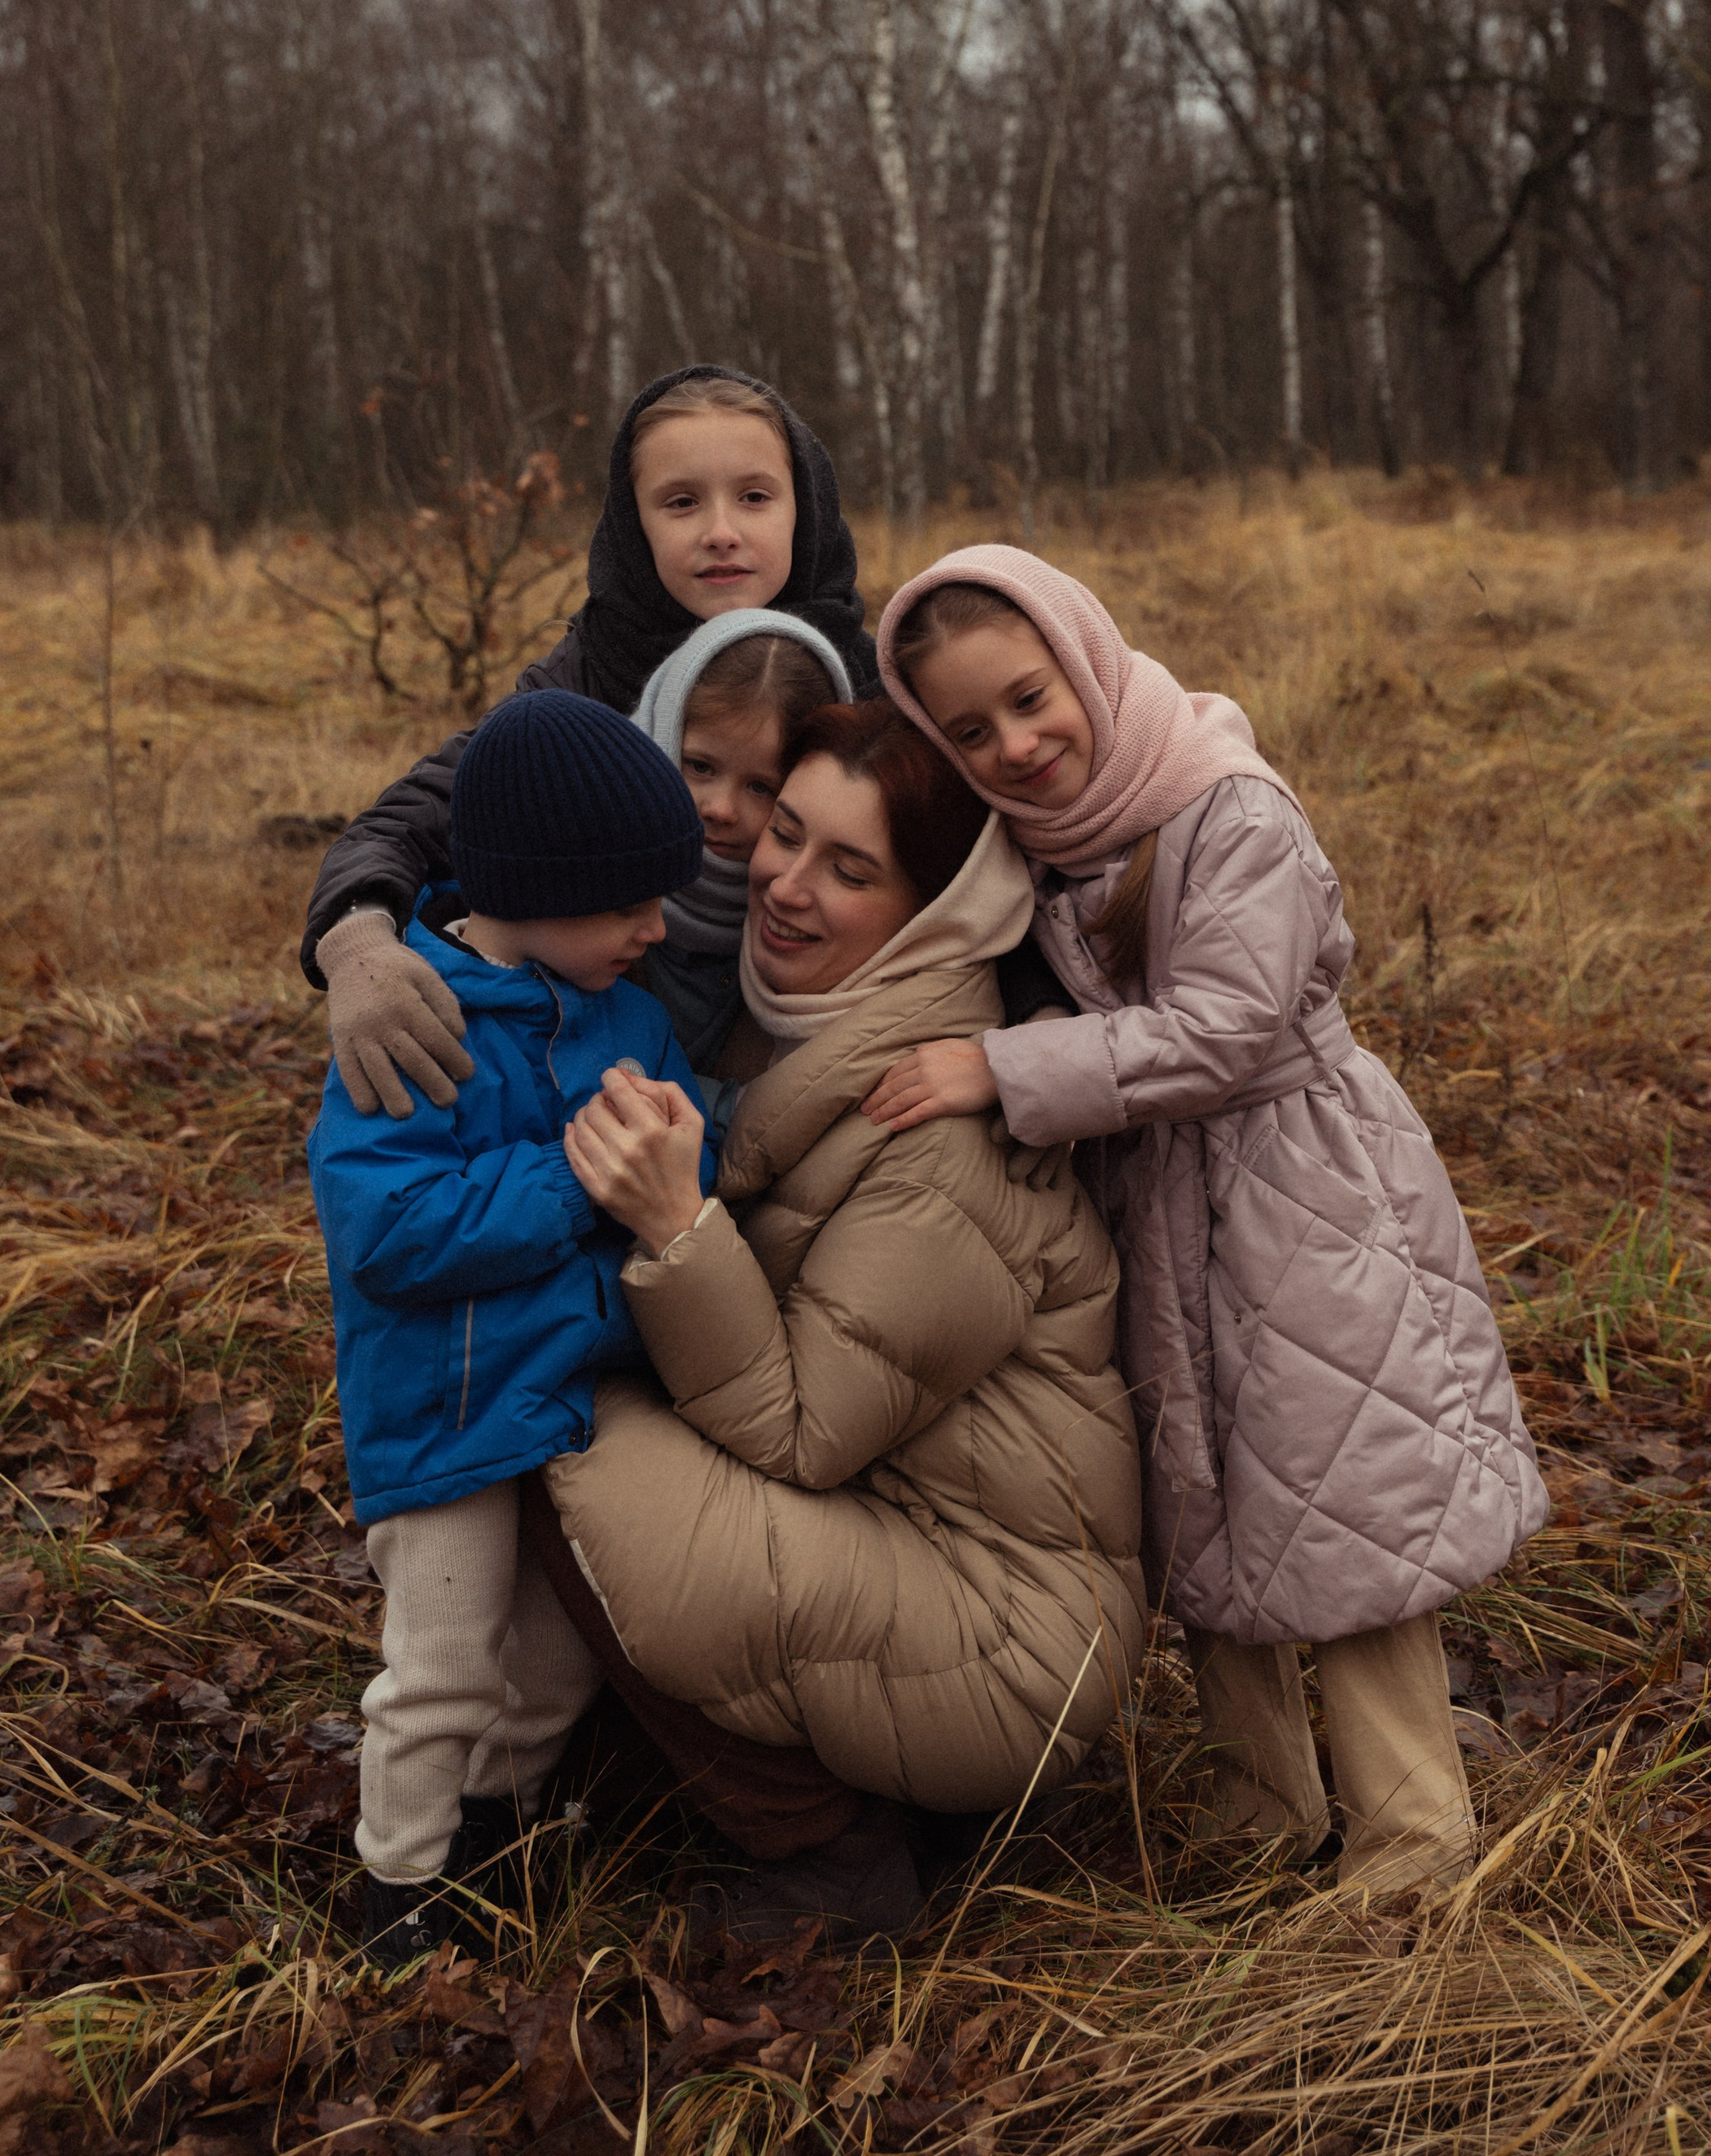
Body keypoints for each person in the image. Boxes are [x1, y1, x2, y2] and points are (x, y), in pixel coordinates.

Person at [869, 550, 1549, 1906]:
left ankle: (1415, 1840)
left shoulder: (1226, 803)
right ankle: (1264, 1809)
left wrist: (1002, 1070)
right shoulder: (1043, 843)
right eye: (972, 729)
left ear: (1088, 655)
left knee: (1344, 1495)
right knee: (1207, 1505)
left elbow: (1226, 1030)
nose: (1019, 742)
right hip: (1161, 1201)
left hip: (1306, 1190)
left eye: (1031, 695)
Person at [535, 699, 1147, 1935]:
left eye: (849, 868)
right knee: (533, 1393)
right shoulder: (787, 1019)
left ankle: (830, 1852)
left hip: (1005, 1643)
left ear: (936, 911)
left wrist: (677, 1228)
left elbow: (805, 1424)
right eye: (786, 830)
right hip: (895, 1549)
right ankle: (586, 1772)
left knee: (545, 1432)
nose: (785, 882)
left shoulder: (950, 1126)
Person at [306, 688, 720, 1968]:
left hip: (575, 1402)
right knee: (440, 1661)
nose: (657, 930)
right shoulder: (418, 1025)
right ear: (527, 888)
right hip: (443, 1418)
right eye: (626, 903)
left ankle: (498, 1837)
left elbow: (692, 1134)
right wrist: (579, 1176)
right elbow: (387, 1229)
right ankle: (401, 1893)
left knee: (558, 1658)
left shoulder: (629, 1016)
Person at [305, 366, 879, 1119]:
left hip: (825, 1068)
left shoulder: (870, 684)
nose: (721, 531)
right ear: (631, 523)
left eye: (755, 496)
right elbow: (413, 818)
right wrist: (357, 943)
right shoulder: (586, 678)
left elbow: (978, 867)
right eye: (680, 502)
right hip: (607, 1078)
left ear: (805, 508)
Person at [628, 610, 853, 1070]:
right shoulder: (582, 864)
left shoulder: (814, 917)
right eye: (700, 767)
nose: (721, 809)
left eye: (760, 787)